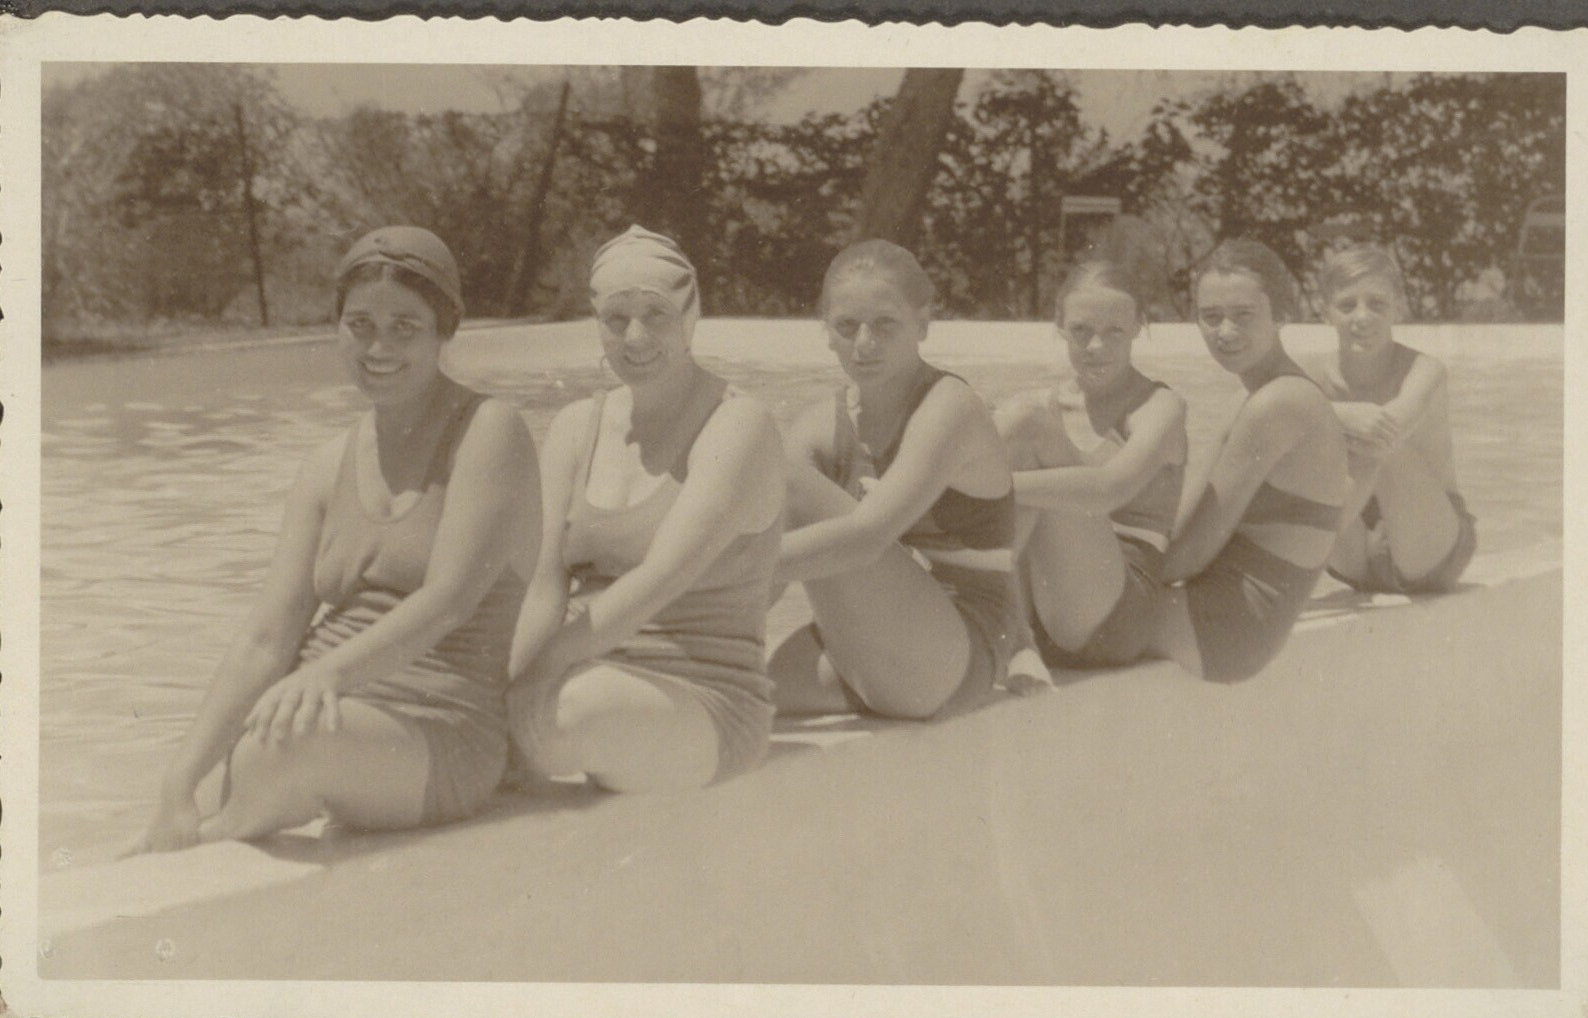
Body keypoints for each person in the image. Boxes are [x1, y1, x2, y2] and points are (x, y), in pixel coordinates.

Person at [130, 226, 541, 853]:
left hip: (436, 729)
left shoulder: (489, 430)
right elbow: (266, 638)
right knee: (189, 797)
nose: (378, 347)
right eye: (360, 324)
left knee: (276, 752)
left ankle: (211, 839)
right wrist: (179, 779)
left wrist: (325, 675)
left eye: (405, 327)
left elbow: (449, 599)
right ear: (338, 328)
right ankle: (196, 830)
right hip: (311, 715)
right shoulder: (326, 465)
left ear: (444, 331)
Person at [506, 226, 786, 791]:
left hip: (705, 702)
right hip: (584, 673)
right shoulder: (575, 428)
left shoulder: (737, 425)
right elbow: (542, 588)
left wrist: (531, 680)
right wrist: (504, 681)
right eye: (615, 317)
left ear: (691, 316)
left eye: (656, 313)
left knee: (569, 713)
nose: (635, 337)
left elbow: (660, 580)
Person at [768, 240, 1016, 720]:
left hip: (958, 656)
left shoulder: (949, 408)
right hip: (879, 648)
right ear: (826, 331)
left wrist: (706, 567)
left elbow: (867, 539)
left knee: (778, 475)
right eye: (847, 326)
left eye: (885, 324)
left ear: (922, 323)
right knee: (740, 687)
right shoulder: (819, 426)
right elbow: (770, 573)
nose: (864, 344)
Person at [1146, 240, 1349, 683]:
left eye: (1243, 315)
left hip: (1226, 628)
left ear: (1282, 315)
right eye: (1210, 316)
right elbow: (1185, 523)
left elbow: (1186, 557)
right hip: (1229, 619)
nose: (1225, 331)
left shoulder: (1274, 405)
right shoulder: (1252, 396)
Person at [994, 258, 1187, 691]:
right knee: (1013, 420)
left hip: (1114, 617)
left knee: (1023, 425)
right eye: (1081, 330)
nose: (1096, 346)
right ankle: (1009, 631)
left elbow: (1108, 490)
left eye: (1114, 331)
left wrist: (981, 489)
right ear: (1058, 325)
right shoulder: (1045, 406)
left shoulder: (1160, 408)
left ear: (1139, 326)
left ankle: (1000, 630)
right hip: (1040, 609)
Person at [1303, 244, 1476, 593]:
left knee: (1380, 444)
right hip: (1355, 552)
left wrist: (1319, 415)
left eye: (1377, 304)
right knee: (1285, 441)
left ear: (1398, 308)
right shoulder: (1311, 376)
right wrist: (1338, 413)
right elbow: (1252, 409)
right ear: (1325, 312)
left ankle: (1295, 559)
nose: (1362, 317)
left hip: (1429, 548)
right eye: (1347, 305)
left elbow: (1385, 431)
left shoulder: (1424, 370)